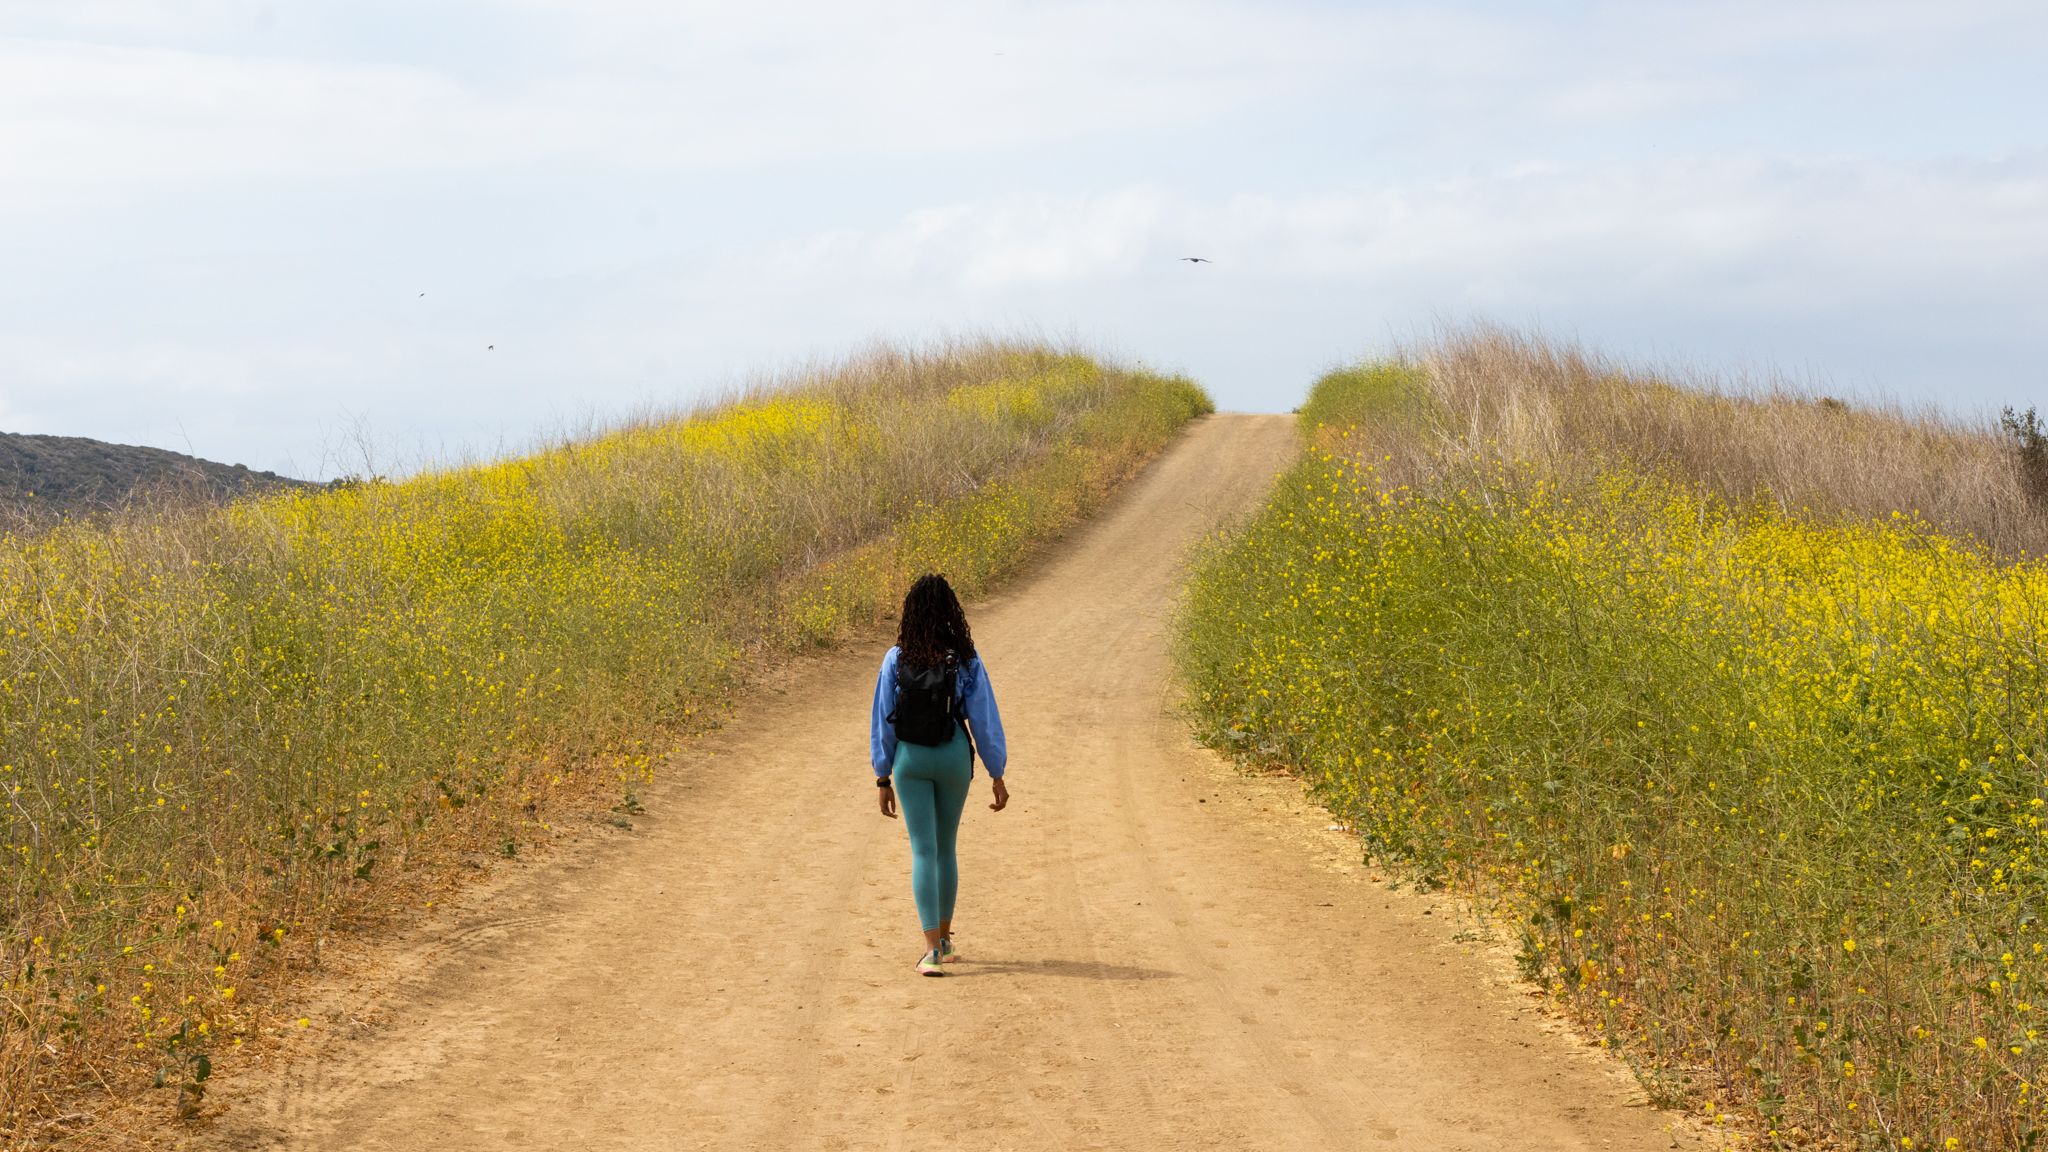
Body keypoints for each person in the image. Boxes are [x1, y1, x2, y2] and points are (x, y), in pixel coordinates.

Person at [871, 574, 1009, 976]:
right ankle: (946, 943)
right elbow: (984, 720)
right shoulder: (965, 660)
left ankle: (930, 950)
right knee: (946, 848)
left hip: (911, 760)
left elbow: (883, 722)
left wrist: (883, 777)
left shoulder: (896, 658)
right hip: (952, 755)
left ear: (910, 613)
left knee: (923, 851)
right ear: (952, 612)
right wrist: (996, 774)